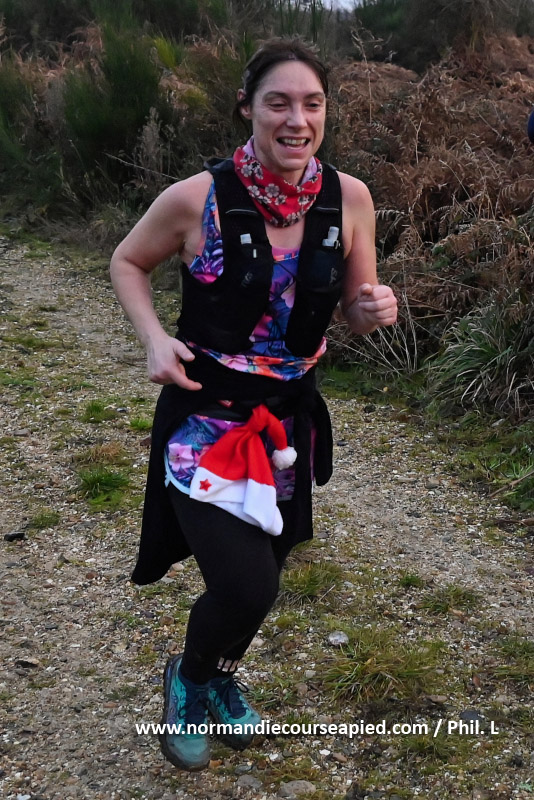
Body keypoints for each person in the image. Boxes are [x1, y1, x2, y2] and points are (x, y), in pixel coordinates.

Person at [110, 37, 397, 772]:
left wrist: (372, 311)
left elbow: (354, 309)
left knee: (264, 579)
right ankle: (188, 678)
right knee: (247, 584)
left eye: (312, 104)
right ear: (248, 108)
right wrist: (153, 338)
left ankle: (217, 678)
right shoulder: (195, 200)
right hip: (205, 422)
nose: (297, 120)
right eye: (279, 103)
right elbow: (128, 261)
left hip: (285, 428)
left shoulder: (351, 198)